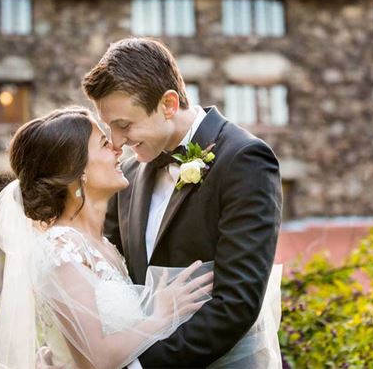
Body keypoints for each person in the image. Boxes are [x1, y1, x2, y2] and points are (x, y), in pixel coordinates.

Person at [0, 107, 214, 369]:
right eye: (104, 143)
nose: (117, 147)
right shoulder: (60, 248)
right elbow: (95, 360)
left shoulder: (104, 246)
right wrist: (161, 314)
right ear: (77, 169)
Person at [82, 37, 283, 368]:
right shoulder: (127, 172)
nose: (117, 142)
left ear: (169, 104)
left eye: (124, 126)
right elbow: (114, 282)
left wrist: (141, 365)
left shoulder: (244, 159)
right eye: (109, 128)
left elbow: (237, 304)